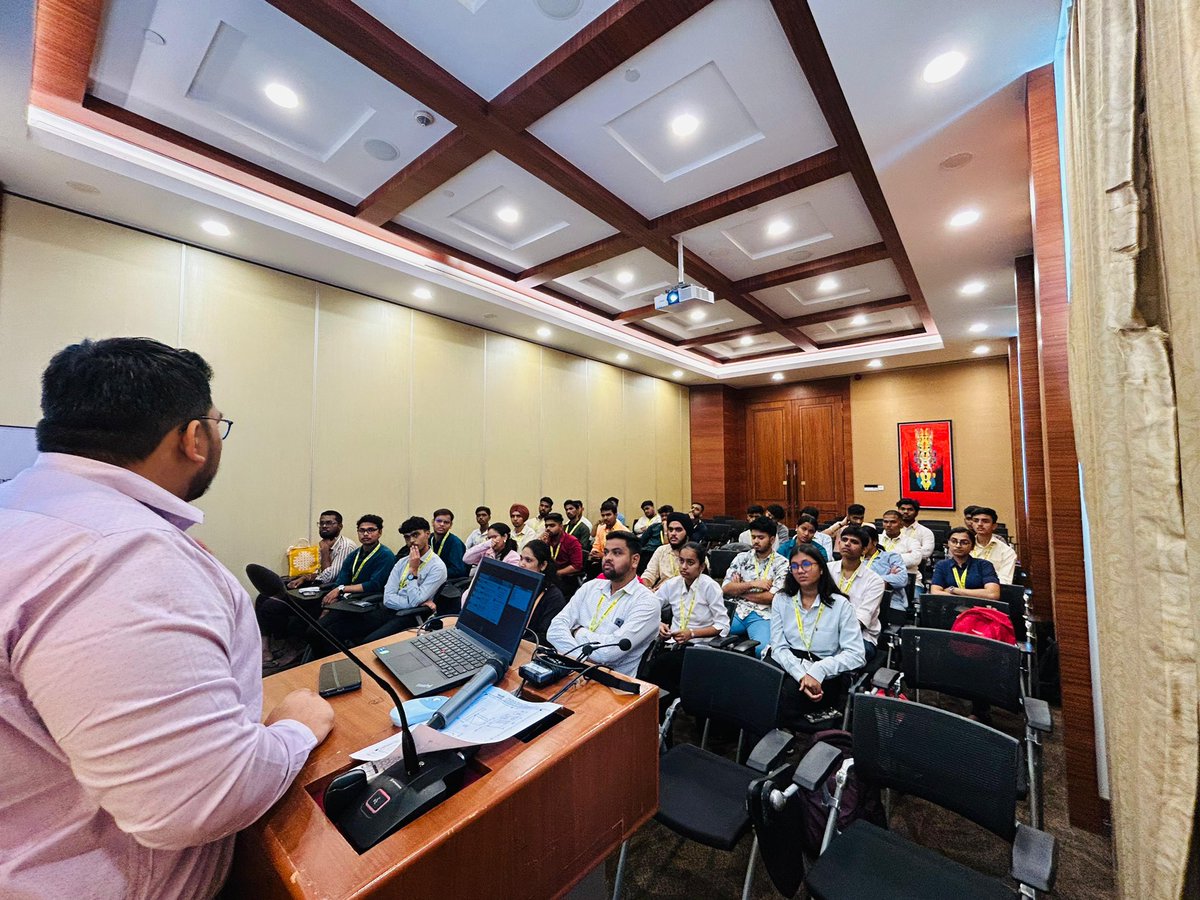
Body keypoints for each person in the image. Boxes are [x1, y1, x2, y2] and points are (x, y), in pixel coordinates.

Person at [0, 337, 334, 899]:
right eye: (217, 424)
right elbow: (197, 800)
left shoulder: (22, 513)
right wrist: (294, 729)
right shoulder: (120, 553)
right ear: (194, 437)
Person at [263, 514, 395, 668]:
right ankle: (309, 658)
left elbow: (374, 585)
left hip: (363, 604)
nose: (366, 534)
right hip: (342, 600)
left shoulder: (385, 555)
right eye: (362, 530)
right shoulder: (355, 554)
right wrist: (329, 601)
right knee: (297, 620)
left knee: (317, 632)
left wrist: (340, 590)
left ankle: (335, 664)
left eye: (371, 530)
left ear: (380, 532)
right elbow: (341, 578)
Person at [769, 544, 866, 728]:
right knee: (763, 684)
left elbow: (856, 654)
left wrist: (819, 670)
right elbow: (778, 647)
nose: (800, 571)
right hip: (788, 662)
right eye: (795, 566)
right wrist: (800, 674)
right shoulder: (781, 599)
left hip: (824, 669)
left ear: (821, 568)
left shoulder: (840, 604)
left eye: (806, 564)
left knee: (783, 695)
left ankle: (778, 737)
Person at [319, 516, 448, 648]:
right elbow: (388, 598)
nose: (412, 541)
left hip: (409, 616)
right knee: (332, 631)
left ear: (427, 534)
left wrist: (413, 571)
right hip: (388, 608)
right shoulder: (402, 562)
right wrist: (408, 602)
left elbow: (415, 603)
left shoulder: (437, 567)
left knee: (367, 644)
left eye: (416, 535)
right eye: (407, 537)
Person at [548, 530, 660, 677]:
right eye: (606, 552)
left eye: (617, 553)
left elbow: (608, 653)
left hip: (612, 686)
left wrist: (576, 631)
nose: (607, 558)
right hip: (571, 672)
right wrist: (583, 660)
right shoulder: (591, 587)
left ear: (635, 560)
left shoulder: (647, 602)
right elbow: (554, 629)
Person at [644, 542, 730, 696]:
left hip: (699, 646)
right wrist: (659, 624)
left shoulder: (710, 586)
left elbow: (723, 626)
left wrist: (692, 633)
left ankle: (671, 705)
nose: (684, 566)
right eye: (681, 561)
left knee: (658, 670)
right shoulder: (672, 584)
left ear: (701, 567)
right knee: (646, 667)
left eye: (690, 563)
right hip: (672, 643)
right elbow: (651, 607)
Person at [722, 516, 788, 656]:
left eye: (760, 537)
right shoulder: (741, 558)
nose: (756, 541)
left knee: (762, 650)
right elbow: (726, 588)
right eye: (753, 537)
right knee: (710, 636)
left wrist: (739, 589)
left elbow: (770, 597)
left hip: (763, 614)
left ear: (772, 539)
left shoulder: (782, 564)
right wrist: (752, 584)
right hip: (737, 610)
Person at [828, 524, 887, 661]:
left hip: (860, 637)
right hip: (823, 630)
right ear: (838, 543)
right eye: (844, 540)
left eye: (854, 542)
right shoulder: (826, 570)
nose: (847, 544)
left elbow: (860, 620)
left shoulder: (874, 581)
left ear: (864, 549)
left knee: (836, 657)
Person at [286, 509, 356, 589]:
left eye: (329, 523)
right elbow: (320, 572)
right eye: (321, 523)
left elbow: (329, 578)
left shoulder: (345, 546)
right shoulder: (325, 543)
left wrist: (325, 552)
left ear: (340, 526)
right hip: (322, 585)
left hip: (335, 589)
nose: (324, 526)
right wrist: (304, 578)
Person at [518, 539, 569, 645]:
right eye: (521, 558)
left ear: (543, 565)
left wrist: (517, 643)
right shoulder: (519, 585)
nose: (521, 564)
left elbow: (544, 636)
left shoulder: (553, 596)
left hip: (529, 647)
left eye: (528, 560)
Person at [930, 527, 1001, 601]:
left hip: (977, 608)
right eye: (954, 541)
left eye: (964, 542)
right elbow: (935, 592)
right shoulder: (942, 565)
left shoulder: (984, 565)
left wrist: (953, 590)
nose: (958, 545)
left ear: (972, 546)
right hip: (950, 606)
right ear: (948, 544)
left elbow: (992, 594)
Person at [861, 524, 910, 612]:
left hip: (889, 602)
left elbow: (902, 579)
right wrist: (887, 578)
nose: (861, 545)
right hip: (860, 601)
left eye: (865, 541)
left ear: (875, 542)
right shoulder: (853, 559)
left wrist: (868, 580)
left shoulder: (891, 557)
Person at [641, 511, 692, 589]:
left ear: (687, 533)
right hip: (661, 596)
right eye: (670, 530)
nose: (673, 533)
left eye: (678, 530)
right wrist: (646, 587)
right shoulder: (661, 550)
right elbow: (649, 574)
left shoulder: (696, 553)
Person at [971, 506, 1017, 584]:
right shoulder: (964, 546)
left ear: (994, 526)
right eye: (976, 521)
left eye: (985, 521)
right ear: (972, 524)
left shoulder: (1007, 551)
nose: (979, 524)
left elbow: (1005, 581)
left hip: (991, 591)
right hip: (963, 590)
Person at [879, 509, 922, 586]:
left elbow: (915, 560)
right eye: (885, 522)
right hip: (880, 580)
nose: (888, 525)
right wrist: (901, 556)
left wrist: (881, 559)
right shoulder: (877, 540)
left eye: (893, 522)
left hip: (909, 582)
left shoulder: (912, 542)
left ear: (901, 524)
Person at [541, 512, 584, 584]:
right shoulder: (546, 540)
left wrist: (557, 573)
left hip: (565, 578)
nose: (548, 529)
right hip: (548, 576)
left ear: (561, 527)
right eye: (546, 526)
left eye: (552, 525)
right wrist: (541, 544)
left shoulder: (572, 541)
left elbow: (577, 566)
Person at [895, 497, 935, 566]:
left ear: (916, 513)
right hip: (893, 564)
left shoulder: (926, 532)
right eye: (902, 509)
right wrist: (910, 553)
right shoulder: (892, 530)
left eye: (910, 509)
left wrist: (899, 555)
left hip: (919, 565)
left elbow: (927, 551)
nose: (905, 512)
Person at [430, 508, 468, 580]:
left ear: (450, 525)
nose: (442, 524)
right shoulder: (429, 538)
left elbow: (458, 570)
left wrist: (434, 573)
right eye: (439, 521)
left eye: (446, 522)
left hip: (448, 582)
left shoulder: (455, 543)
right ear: (433, 522)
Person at [589, 499, 629, 564]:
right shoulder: (600, 528)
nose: (605, 518)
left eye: (608, 515)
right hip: (601, 563)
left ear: (616, 515)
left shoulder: (624, 531)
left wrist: (603, 555)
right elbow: (596, 546)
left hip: (618, 564)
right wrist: (594, 552)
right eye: (603, 515)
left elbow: (623, 554)